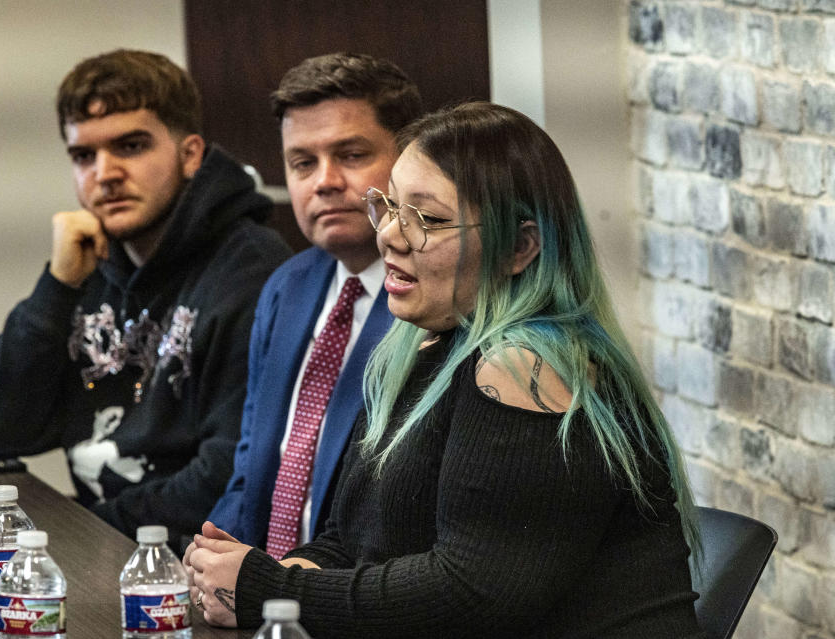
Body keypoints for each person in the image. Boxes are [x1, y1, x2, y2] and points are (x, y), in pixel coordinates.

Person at [184, 102, 705, 638]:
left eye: (426, 220)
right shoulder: (421, 344)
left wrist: (271, 589)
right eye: (388, 206)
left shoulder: (529, 365)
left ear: (520, 248)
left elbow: (471, 596)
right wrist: (274, 575)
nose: (389, 234)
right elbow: (351, 537)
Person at [0, 49, 291, 551]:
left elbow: (229, 473)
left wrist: (83, 529)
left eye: (131, 146)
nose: (104, 173)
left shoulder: (252, 269)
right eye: (83, 156)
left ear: (191, 154)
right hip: (108, 549)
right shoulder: (86, 266)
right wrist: (56, 287)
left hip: (191, 566)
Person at [206, 53, 422, 554]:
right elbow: (251, 470)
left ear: (411, 158)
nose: (323, 181)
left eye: (350, 155)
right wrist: (210, 558)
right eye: (303, 163)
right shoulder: (288, 284)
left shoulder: (435, 302)